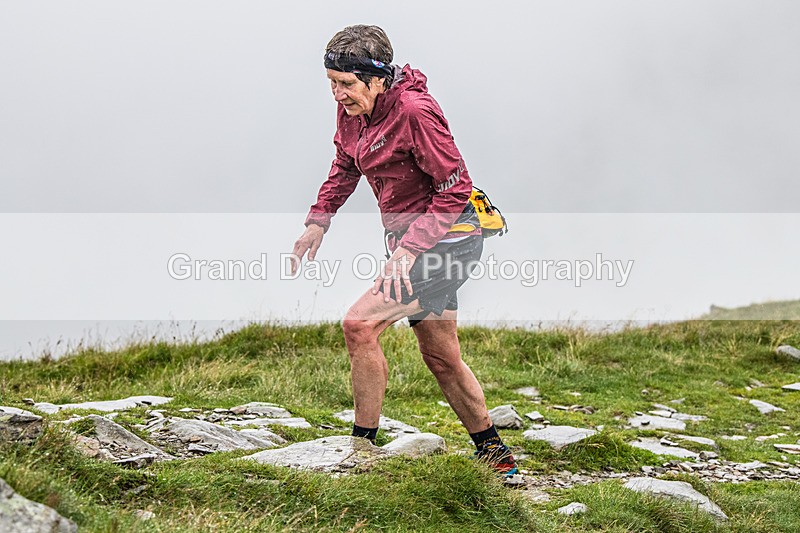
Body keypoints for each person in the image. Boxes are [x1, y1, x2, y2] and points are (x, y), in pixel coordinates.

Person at [291, 24, 516, 476]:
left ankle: (361, 451)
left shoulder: (414, 112)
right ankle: (497, 458)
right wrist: (319, 220)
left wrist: (409, 250)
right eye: (331, 83)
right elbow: (346, 163)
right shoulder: (354, 109)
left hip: (448, 241)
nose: (337, 94)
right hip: (413, 243)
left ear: (378, 79)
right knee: (441, 356)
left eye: (346, 83)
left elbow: (455, 188)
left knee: (359, 325)